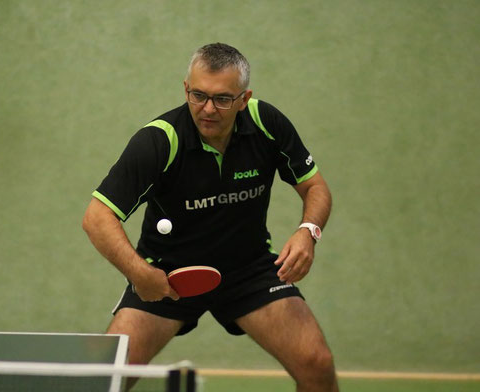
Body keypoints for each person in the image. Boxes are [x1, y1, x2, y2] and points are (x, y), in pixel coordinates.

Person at [83, 43, 338, 391]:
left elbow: (316, 187)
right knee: (106, 376)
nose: (207, 109)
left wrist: (309, 231)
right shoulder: (159, 141)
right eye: (198, 95)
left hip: (249, 270)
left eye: (222, 99)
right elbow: (97, 217)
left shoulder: (266, 124)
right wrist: (139, 273)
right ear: (186, 89)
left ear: (243, 99)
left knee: (316, 362)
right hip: (170, 276)